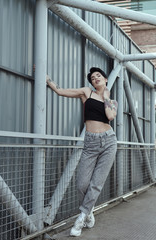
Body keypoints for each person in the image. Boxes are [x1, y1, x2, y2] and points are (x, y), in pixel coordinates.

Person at [46, 67, 118, 237]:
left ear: (106, 79)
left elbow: (110, 116)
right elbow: (60, 91)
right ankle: (89, 210)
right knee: (82, 184)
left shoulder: (112, 102)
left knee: (96, 184)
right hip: (90, 143)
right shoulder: (87, 93)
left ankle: (81, 218)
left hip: (109, 142)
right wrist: (48, 80)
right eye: (93, 78)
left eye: (98, 76)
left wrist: (106, 96)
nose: (95, 79)